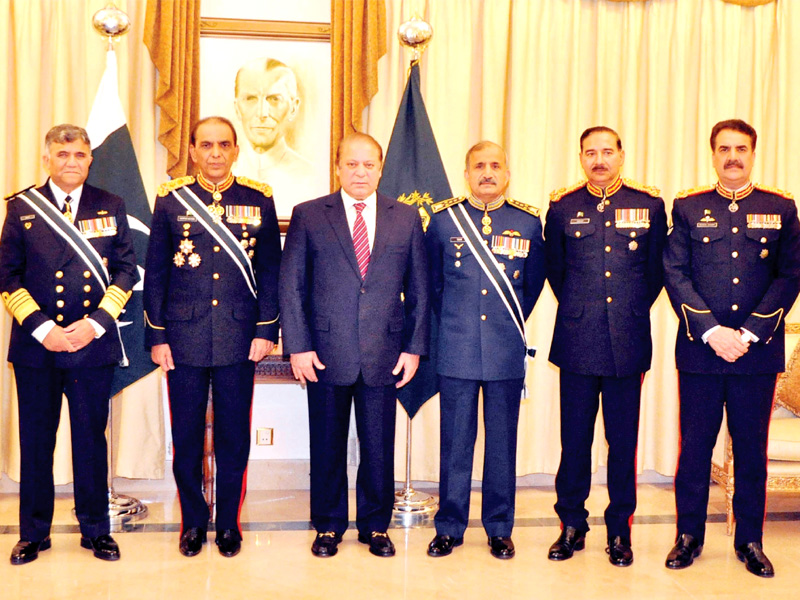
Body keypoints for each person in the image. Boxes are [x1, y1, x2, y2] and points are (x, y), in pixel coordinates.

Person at [279, 132, 428, 558]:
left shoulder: (405, 217)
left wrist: (414, 347)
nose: (360, 172)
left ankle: (375, 526)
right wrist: (298, 346)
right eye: (351, 164)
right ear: (338, 167)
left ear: (380, 168)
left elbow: (419, 290)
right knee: (326, 444)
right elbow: (292, 285)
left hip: (385, 351)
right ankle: (327, 526)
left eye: (369, 165)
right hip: (324, 352)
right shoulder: (309, 215)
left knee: (379, 448)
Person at [663, 119, 800, 578]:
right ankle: (688, 536)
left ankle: (751, 541)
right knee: (695, 449)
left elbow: (790, 276)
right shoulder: (688, 207)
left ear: (753, 153)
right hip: (701, 352)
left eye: (740, 148)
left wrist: (746, 334)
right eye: (724, 149)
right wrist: (710, 331)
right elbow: (674, 273)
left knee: (751, 448)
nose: (732, 156)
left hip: (755, 354)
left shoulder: (779, 206)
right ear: (713, 153)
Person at [143, 116, 281, 558]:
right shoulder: (171, 200)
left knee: (233, 437)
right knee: (185, 436)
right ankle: (193, 523)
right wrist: (158, 336)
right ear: (193, 149)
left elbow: (270, 271)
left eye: (224, 145)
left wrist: (265, 330)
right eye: (207, 145)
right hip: (182, 338)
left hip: (239, 338)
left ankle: (228, 525)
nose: (216, 153)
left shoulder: (258, 198)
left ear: (236, 150)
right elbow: (158, 273)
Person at [0, 124, 137, 564]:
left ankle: (96, 530)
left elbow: (125, 272)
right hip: (37, 347)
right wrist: (44, 329)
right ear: (47, 159)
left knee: (90, 441)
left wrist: (95, 324)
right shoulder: (22, 207)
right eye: (62, 155)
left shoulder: (110, 205)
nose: (71, 162)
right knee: (37, 441)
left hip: (91, 346)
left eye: (79, 154)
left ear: (90, 158)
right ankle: (33, 533)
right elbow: (7, 275)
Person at [544, 127, 667, 567]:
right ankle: (571, 525)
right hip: (577, 341)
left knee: (622, 442)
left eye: (607, 152)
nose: (599, 160)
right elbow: (557, 273)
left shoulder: (650, 204)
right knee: (574, 441)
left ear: (622, 155)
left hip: (627, 341)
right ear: (580, 157)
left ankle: (620, 530)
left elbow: (655, 275)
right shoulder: (562, 206)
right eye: (590, 153)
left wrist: (625, 312)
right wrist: (585, 310)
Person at [425, 141, 545, 560]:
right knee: (455, 444)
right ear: (467, 173)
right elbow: (434, 287)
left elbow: (531, 287)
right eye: (479, 166)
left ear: (507, 172)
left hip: (504, 348)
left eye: (496, 165)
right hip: (456, 348)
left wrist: (501, 324)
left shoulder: (528, 223)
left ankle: (499, 527)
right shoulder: (442, 222)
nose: (488, 173)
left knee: (502, 444)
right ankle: (450, 527)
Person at [232, 58, 315, 214]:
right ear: (237, 108)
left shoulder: (311, 176)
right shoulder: (224, 175)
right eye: (250, 99)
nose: (262, 113)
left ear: (293, 108)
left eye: (274, 100)